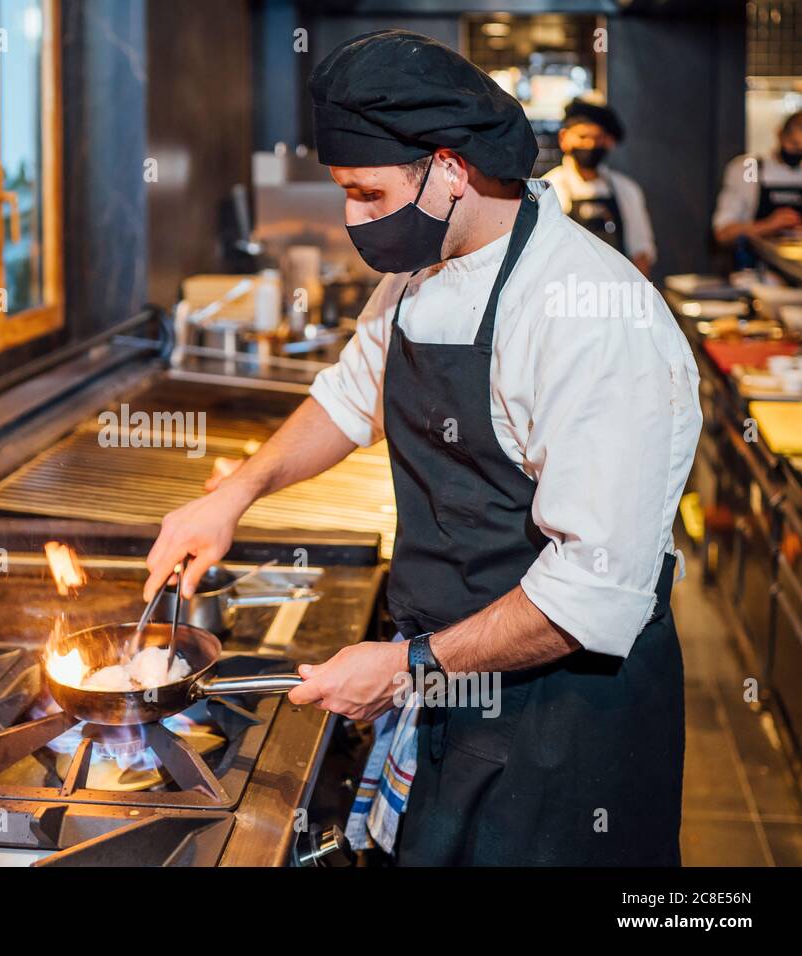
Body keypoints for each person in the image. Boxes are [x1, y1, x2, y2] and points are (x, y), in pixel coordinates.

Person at [142, 30, 701, 866]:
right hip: (451, 676)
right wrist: (235, 492)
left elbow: (588, 595)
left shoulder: (589, 316)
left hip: (566, 723)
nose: (352, 219)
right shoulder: (421, 273)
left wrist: (405, 668)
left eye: (368, 193)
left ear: (449, 168)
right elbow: (349, 395)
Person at [543, 98, 656, 277]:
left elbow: (641, 253)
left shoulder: (626, 190)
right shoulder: (547, 190)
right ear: (564, 138)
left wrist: (637, 299)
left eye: (597, 138)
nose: (589, 145)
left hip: (614, 297)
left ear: (608, 142)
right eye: (582, 137)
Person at [713, 110, 802, 266]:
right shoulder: (750, 168)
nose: (796, 153)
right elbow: (723, 234)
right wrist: (770, 225)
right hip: (756, 273)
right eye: (793, 144)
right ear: (780, 134)